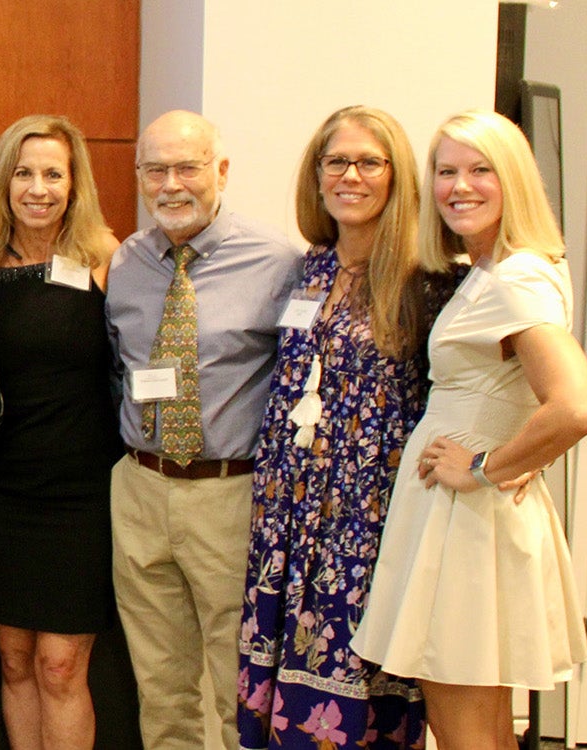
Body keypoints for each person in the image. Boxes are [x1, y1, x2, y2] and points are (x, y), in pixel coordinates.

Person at [352, 109, 587, 750]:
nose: (459, 186)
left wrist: (488, 464)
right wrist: (515, 452)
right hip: (461, 518)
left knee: (462, 729)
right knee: (484, 728)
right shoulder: (493, 270)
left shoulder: (515, 278)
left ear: (512, 178)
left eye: (480, 170)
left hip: (467, 521)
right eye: (446, 171)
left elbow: (575, 406)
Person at [238, 106, 463, 749]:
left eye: (369, 162)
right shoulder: (310, 269)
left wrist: (505, 456)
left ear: (397, 177)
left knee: (350, 710)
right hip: (287, 517)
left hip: (367, 526)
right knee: (279, 702)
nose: (350, 176)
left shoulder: (431, 281)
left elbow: (486, 381)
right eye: (335, 161)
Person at [105, 110, 305, 750]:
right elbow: (116, 367)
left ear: (221, 170)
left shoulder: (277, 263)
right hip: (140, 487)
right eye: (154, 170)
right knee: (160, 687)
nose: (170, 185)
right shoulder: (128, 262)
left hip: (230, 495)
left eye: (187, 167)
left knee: (236, 682)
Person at [0, 114, 123, 750]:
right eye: (23, 173)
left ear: (74, 182)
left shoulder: (106, 257)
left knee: (60, 666)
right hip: (2, 489)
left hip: (81, 495)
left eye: (53, 173)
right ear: (4, 182)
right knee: (14, 661)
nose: (38, 188)